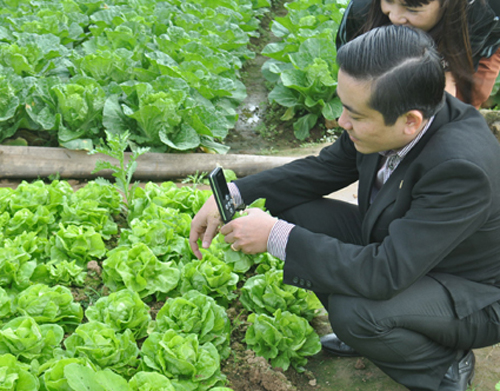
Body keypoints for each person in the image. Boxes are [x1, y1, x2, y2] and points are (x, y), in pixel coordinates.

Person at [189, 25, 500, 391]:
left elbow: (385, 273)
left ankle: (442, 363)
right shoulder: (399, 108)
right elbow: (325, 168)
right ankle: (382, 336)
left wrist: (275, 236)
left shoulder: (461, 169)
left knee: (355, 314)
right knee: (297, 210)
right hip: (410, 250)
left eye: (355, 115)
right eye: (343, 105)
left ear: (410, 121)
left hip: (471, 292)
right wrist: (234, 193)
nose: (341, 122)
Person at [335, 0, 500, 109]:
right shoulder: (361, 8)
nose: (395, 17)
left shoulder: (483, 9)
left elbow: (446, 78)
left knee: (465, 100)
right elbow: (351, 71)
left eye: (412, 9)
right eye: (389, 1)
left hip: (476, 35)